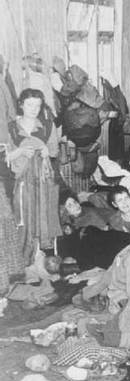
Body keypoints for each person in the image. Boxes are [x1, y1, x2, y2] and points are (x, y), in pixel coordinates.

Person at [6, 88, 62, 261]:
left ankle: (40, 256)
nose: (33, 109)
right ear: (21, 105)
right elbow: (5, 157)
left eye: (37, 105)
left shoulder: (47, 125)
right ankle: (22, 259)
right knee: (21, 214)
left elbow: (54, 152)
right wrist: (21, 151)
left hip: (42, 178)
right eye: (29, 104)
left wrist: (46, 150)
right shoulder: (11, 127)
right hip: (19, 178)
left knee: (43, 213)